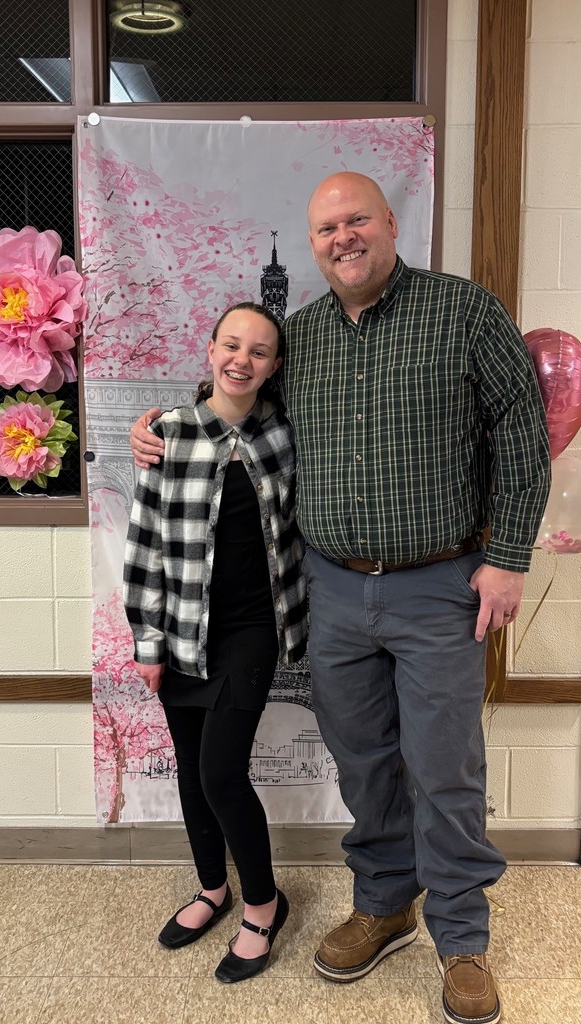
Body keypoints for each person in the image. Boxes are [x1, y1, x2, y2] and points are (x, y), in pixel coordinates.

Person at [129, 174, 551, 1023]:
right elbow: (235, 409)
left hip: (442, 585)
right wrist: (160, 424)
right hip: (331, 591)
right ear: (313, 242)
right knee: (362, 761)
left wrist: (507, 557)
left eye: (357, 219)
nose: (342, 237)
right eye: (326, 227)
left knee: (444, 767)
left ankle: (462, 937)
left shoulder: (464, 310)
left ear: (391, 224)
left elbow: (522, 428)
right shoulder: (304, 335)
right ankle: (385, 901)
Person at [124, 302, 307, 984]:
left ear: (275, 367)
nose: (242, 359)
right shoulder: (168, 435)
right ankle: (213, 889)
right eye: (232, 345)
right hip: (179, 633)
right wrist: (147, 638)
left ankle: (263, 905)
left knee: (221, 772)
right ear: (209, 351)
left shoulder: (287, 435)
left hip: (253, 630)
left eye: (259, 351)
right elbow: (143, 544)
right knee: (192, 767)